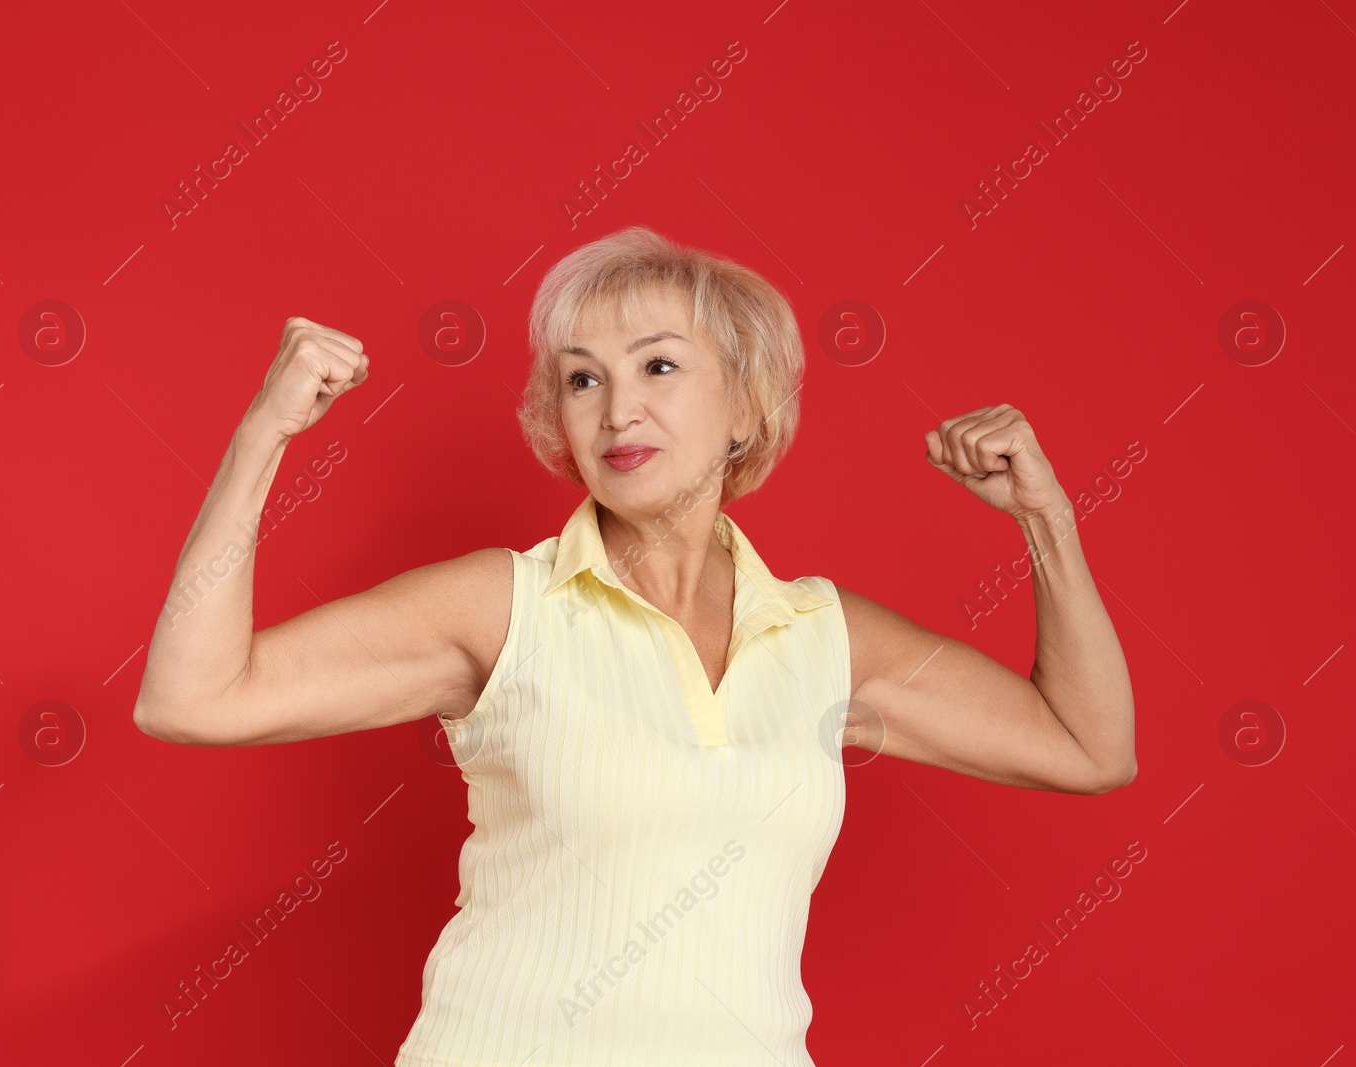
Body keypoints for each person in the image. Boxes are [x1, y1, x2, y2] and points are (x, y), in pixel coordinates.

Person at [132, 226, 1136, 1065]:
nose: (618, 409)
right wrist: (264, 434)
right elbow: (194, 696)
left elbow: (1088, 747)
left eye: (659, 364)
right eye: (582, 379)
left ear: (744, 406)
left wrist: (1046, 520)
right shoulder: (503, 605)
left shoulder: (824, 638)